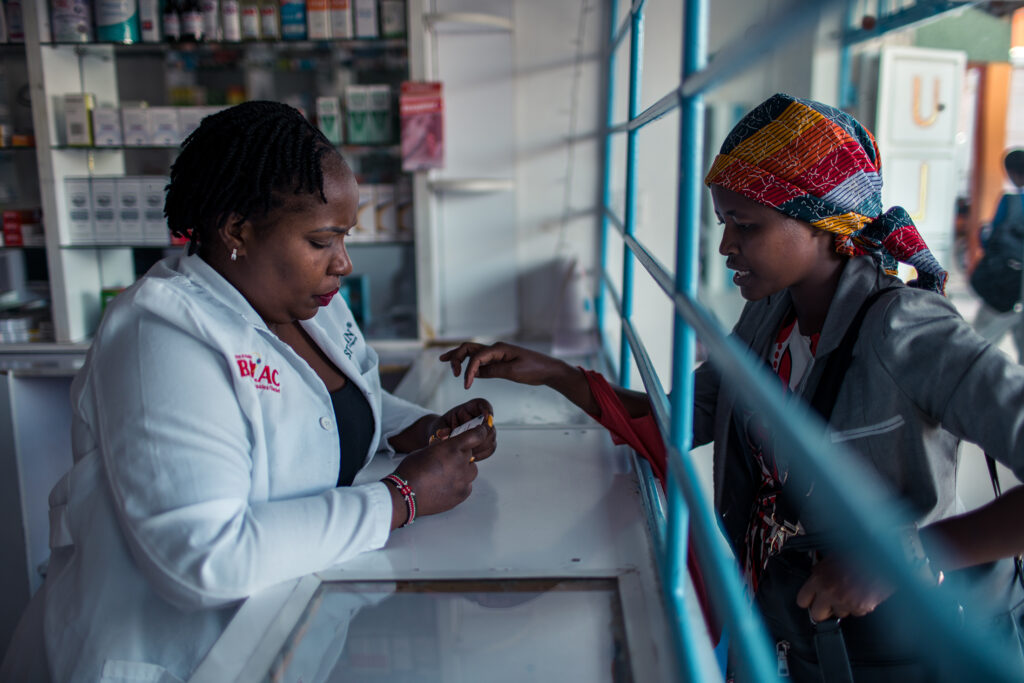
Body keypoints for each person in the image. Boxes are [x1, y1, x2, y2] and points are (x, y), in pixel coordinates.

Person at [441, 94, 1024, 681]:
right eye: (724, 223)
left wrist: (901, 560)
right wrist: (554, 375)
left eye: (746, 226)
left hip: (893, 650)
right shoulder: (770, 318)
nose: (725, 248)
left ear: (824, 225)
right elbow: (680, 420)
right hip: (791, 632)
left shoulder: (908, 332)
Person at [0, 101, 495, 683]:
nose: (343, 262)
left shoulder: (311, 307)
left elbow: (327, 402)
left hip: (285, 636)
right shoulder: (160, 334)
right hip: (176, 658)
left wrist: (417, 427)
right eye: (321, 240)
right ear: (237, 229)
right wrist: (401, 498)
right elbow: (205, 560)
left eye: (345, 237)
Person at [971, 149, 1024, 362]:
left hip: (1007, 285)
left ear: (1012, 172)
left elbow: (991, 240)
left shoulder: (1010, 202)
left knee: (979, 345)